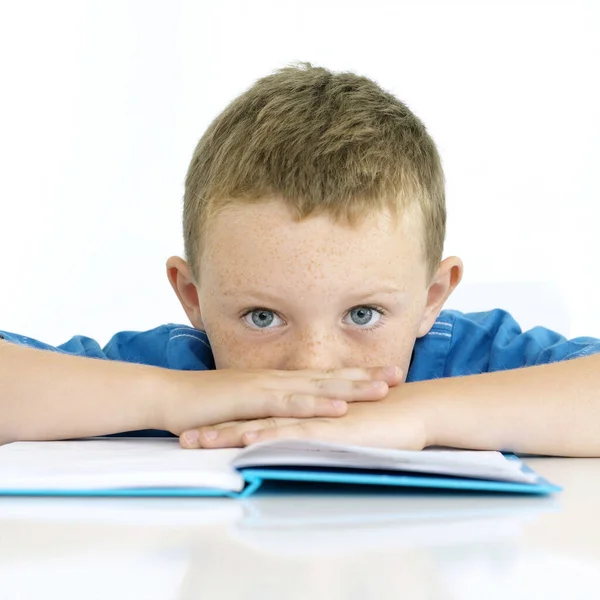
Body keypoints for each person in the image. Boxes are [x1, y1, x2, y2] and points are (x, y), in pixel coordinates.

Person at [1, 63, 599, 456]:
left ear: (432, 296)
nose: (312, 365)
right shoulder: (185, 371)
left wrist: (417, 417)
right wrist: (168, 399)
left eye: (363, 315)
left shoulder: (474, 361)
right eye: (262, 317)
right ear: (193, 297)